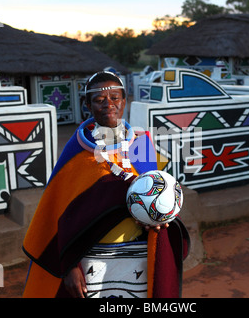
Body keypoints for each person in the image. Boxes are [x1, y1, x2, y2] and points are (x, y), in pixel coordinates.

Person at [22, 71, 189, 298]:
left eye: (115, 98)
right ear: (87, 104)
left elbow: (156, 197)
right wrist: (69, 266)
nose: (108, 105)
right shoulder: (76, 153)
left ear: (124, 100)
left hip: (138, 254)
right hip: (92, 258)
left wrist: (157, 219)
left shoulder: (141, 143)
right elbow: (59, 214)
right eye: (100, 100)